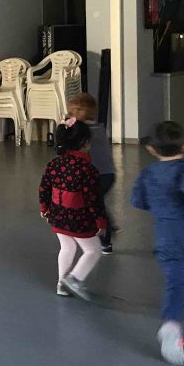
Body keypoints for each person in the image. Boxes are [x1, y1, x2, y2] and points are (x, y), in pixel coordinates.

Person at [131, 121, 184, 366]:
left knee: (176, 284)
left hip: (167, 238)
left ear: (151, 149)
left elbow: (138, 201)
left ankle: (170, 326)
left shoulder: (147, 173)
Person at [39, 118, 106, 299]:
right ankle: (74, 279)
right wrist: (100, 221)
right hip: (78, 219)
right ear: (85, 143)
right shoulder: (88, 169)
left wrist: (44, 207)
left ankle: (61, 284)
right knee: (93, 250)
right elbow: (93, 199)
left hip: (57, 215)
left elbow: (44, 187)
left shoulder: (54, 164)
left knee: (67, 247)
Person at [67, 93, 116, 254]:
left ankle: (105, 241)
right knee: (96, 203)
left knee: (94, 207)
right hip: (107, 174)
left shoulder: (85, 131)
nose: (72, 115)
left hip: (96, 176)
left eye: (75, 112)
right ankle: (107, 226)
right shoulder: (99, 127)